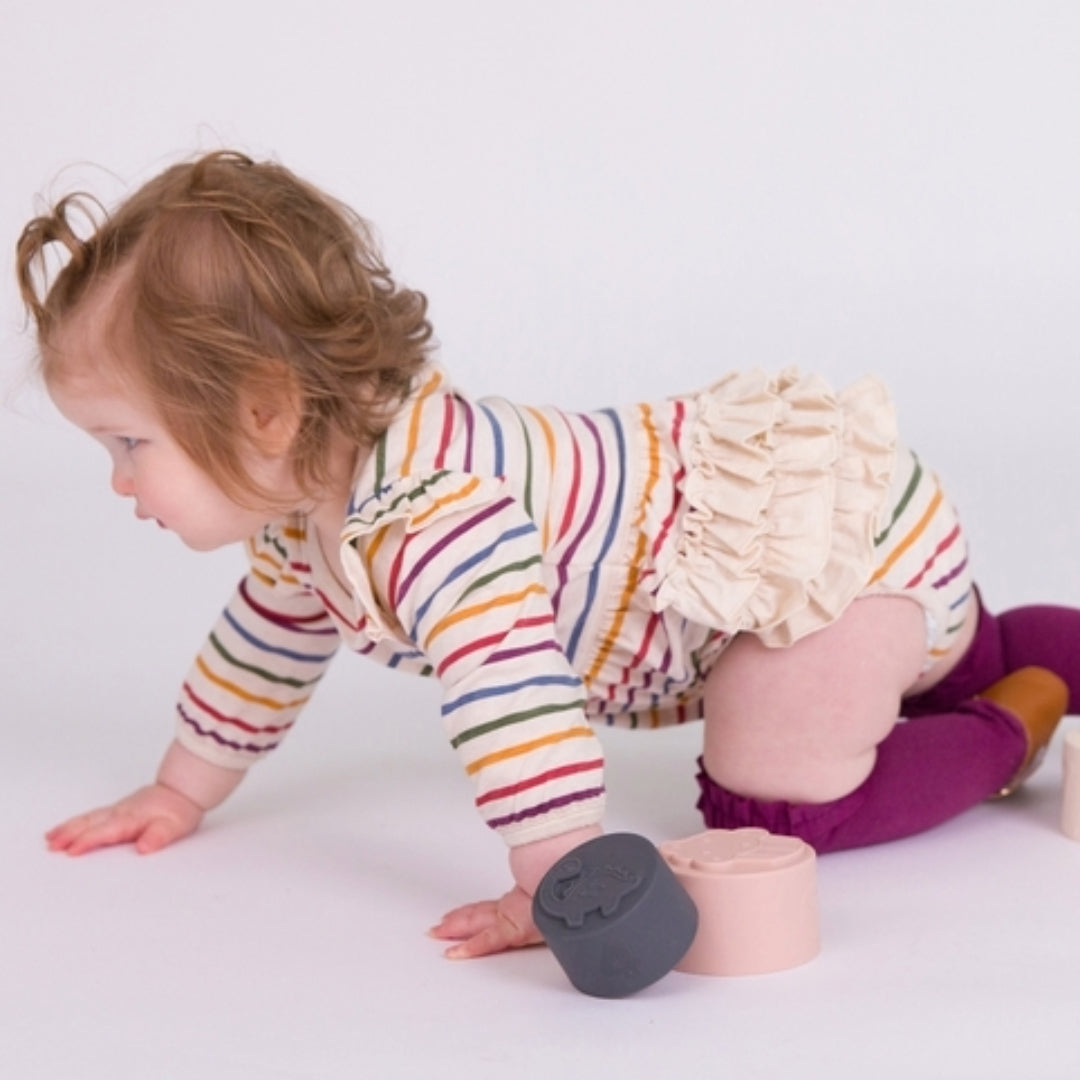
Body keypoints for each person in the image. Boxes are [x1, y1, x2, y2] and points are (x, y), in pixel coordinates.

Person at [16, 150, 1079, 961]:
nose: (118, 482)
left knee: (769, 802)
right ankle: (982, 655)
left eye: (130, 443)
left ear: (264, 411)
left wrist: (554, 876)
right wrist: (179, 790)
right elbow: (261, 650)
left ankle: (1011, 721)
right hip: (817, 574)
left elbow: (513, 700)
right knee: (927, 652)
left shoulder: (436, 512)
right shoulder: (310, 518)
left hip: (845, 562)